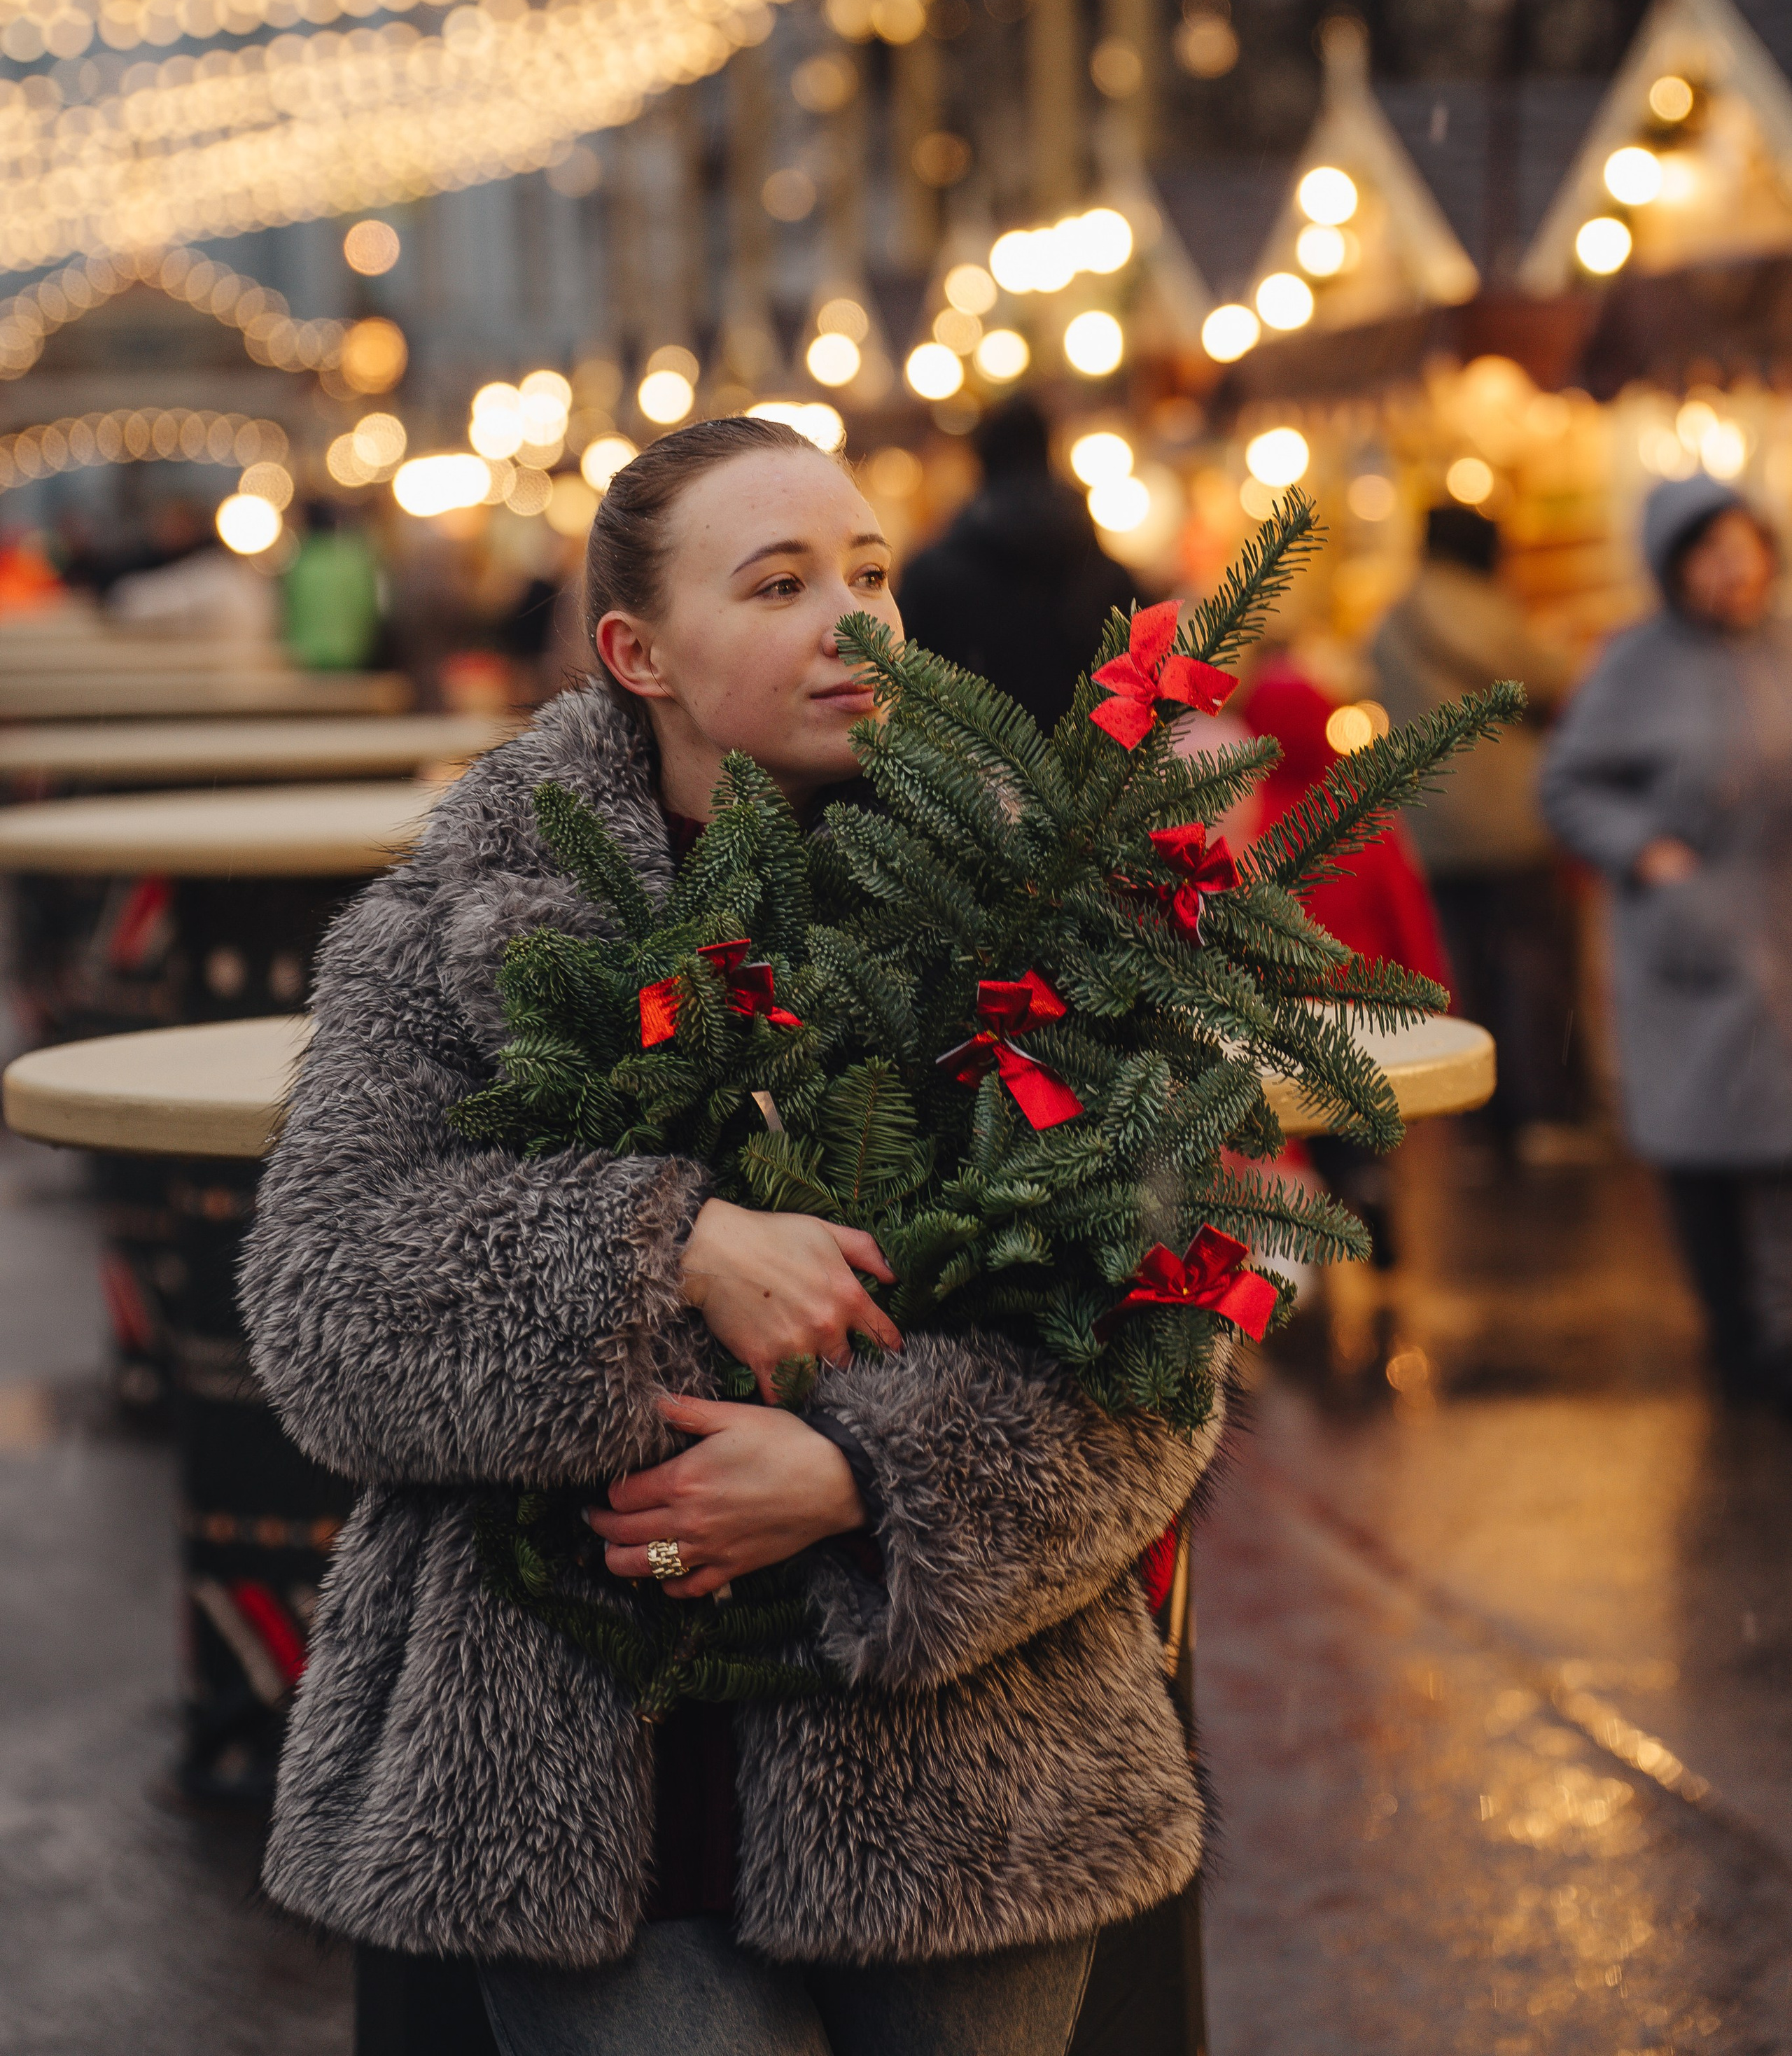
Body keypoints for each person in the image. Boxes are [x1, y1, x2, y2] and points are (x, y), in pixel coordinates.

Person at [241, 417, 1214, 2056]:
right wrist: (664, 1241)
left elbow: (1159, 1331)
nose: (852, 620)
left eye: (869, 572)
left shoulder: (1026, 915)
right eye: (777, 582)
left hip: (960, 1768)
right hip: (562, 1767)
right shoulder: (466, 916)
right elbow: (318, 1302)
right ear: (639, 651)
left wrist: (870, 1478)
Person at [1542, 473, 1792, 1408]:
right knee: (1709, 1153)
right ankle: (1737, 1334)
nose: (1735, 571)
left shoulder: (1782, 647)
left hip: (1779, 928)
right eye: (1712, 553)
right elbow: (1567, 787)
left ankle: (1775, 1334)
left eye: (1746, 547)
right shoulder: (1633, 666)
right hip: (1690, 953)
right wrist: (1644, 853)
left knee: (1780, 1149)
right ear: (1675, 567)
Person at [1370, 503, 1579, 1163]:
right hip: (1510, 820)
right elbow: (1549, 677)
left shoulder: (1391, 621)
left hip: (1431, 823)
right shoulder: (1484, 608)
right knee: (1532, 965)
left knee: (1464, 969)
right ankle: (1540, 1113)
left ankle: (1475, 1123)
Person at [1238, 661, 1452, 1264]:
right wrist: (1431, 990)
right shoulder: (1361, 813)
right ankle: (1370, 1184)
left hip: (1290, 1007)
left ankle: (1338, 1201)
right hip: (1367, 1000)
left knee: (1315, 1116)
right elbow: (1405, 910)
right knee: (1364, 1110)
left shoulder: (1252, 822)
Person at [896, 396, 1134, 729]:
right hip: (1104, 774)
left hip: (967, 776)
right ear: (1050, 452)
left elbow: (906, 698)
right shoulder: (1106, 574)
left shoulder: (933, 576)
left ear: (979, 461)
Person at [283, 501, 384, 670]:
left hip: (309, 654)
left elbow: (290, 606)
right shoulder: (355, 561)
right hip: (353, 651)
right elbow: (367, 605)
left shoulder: (302, 564)